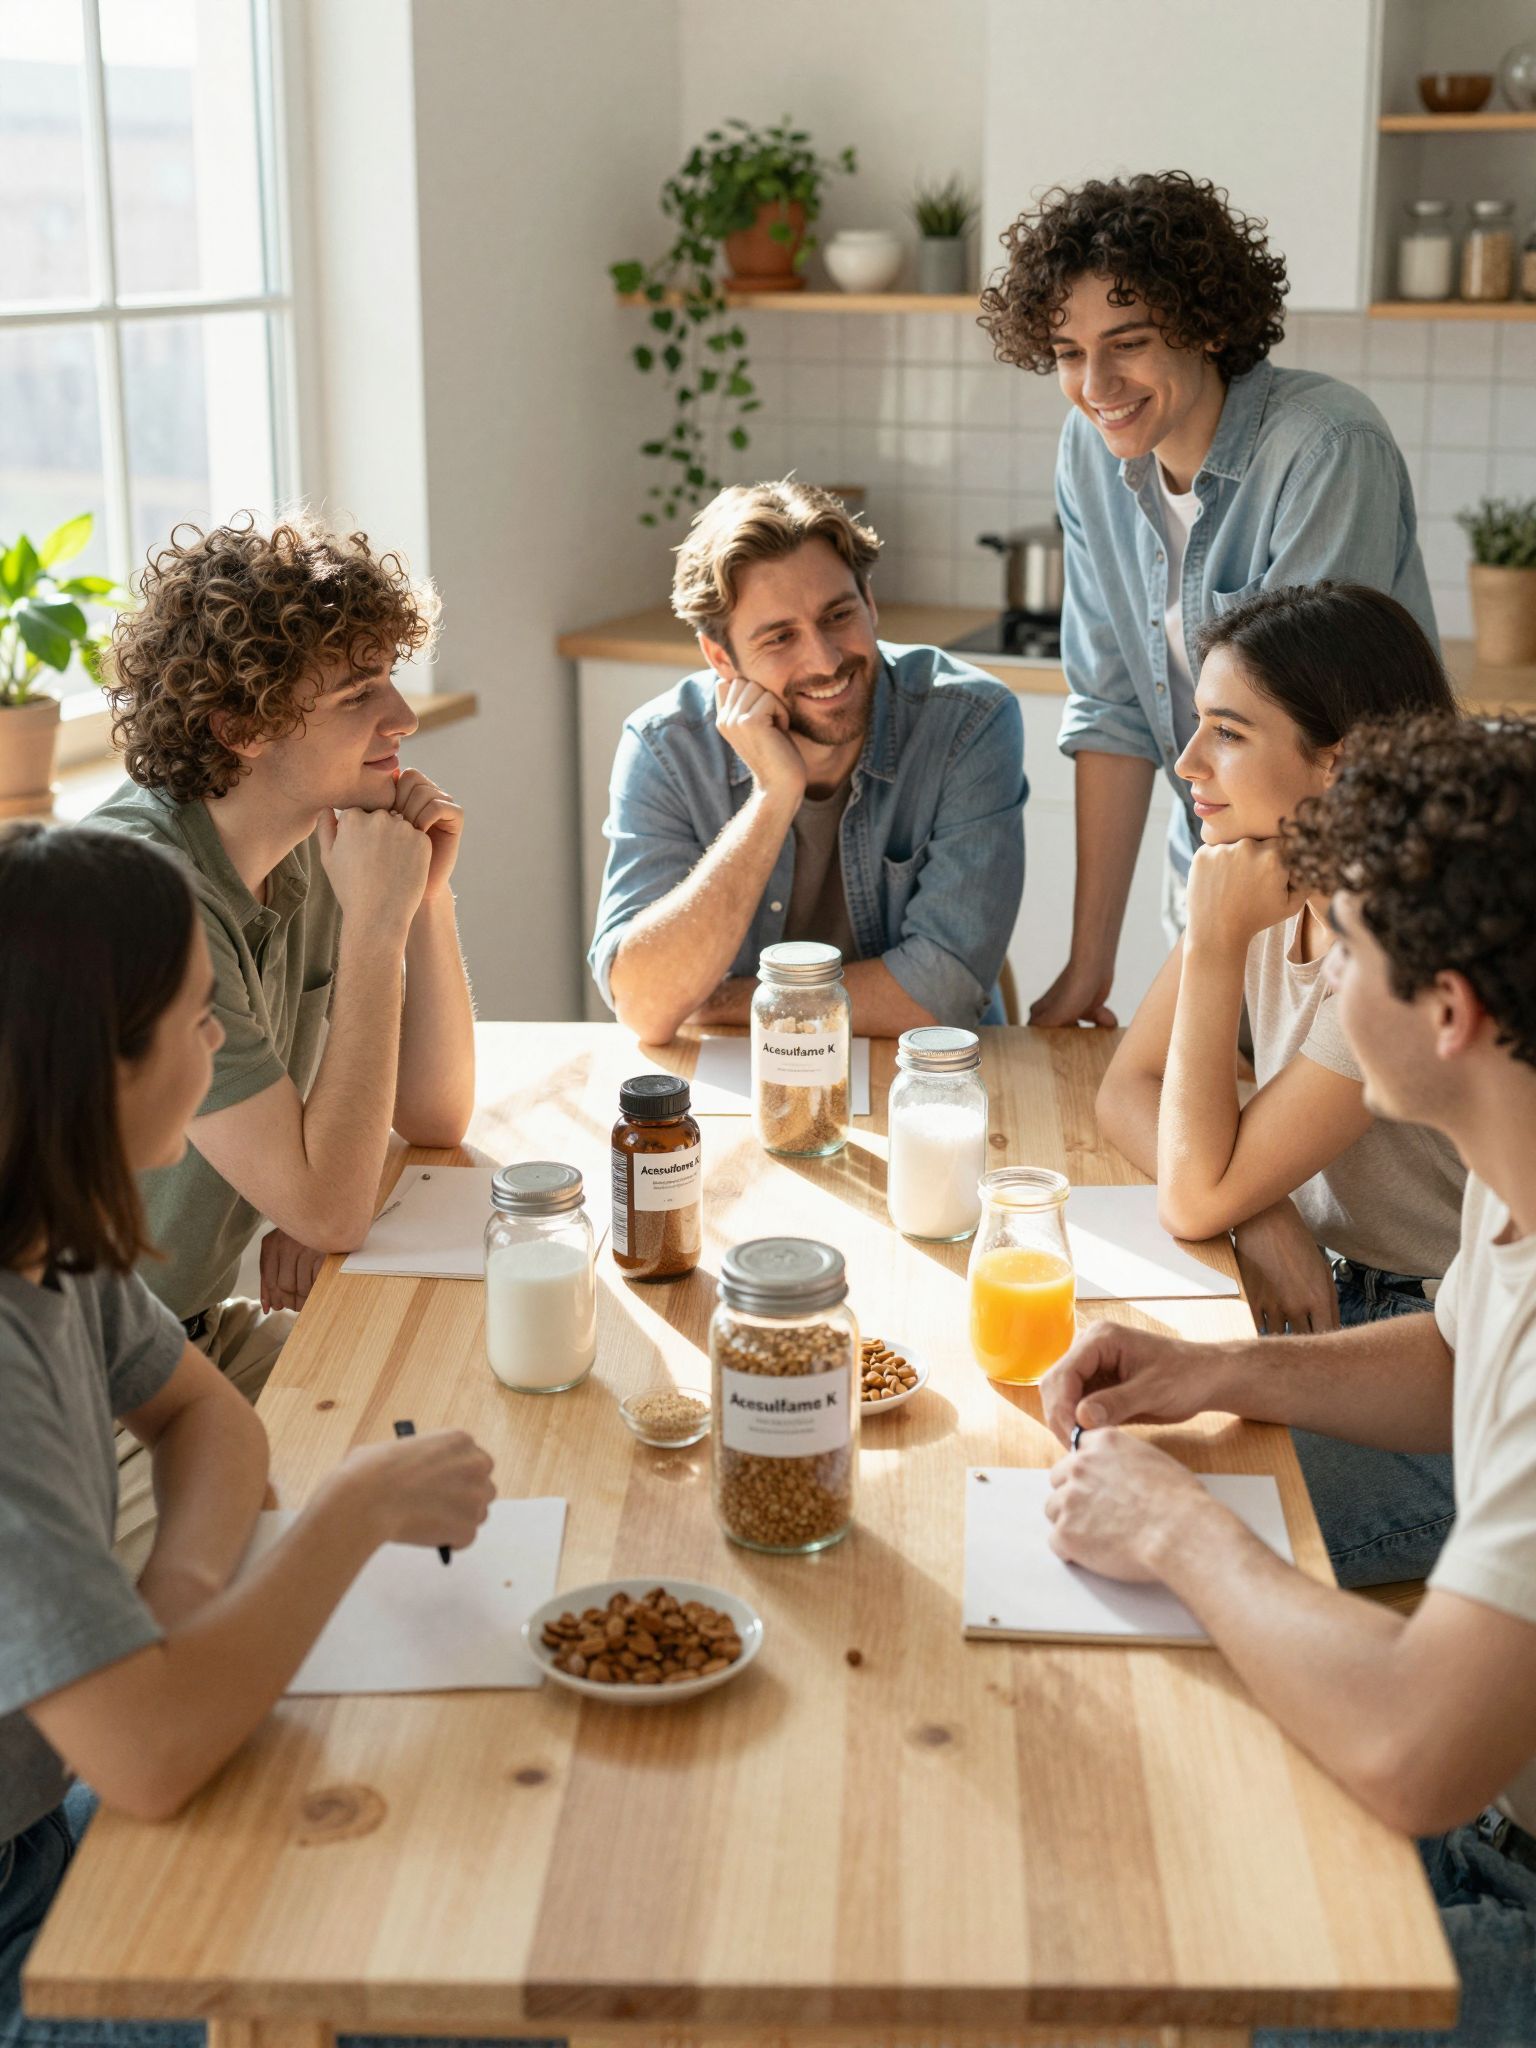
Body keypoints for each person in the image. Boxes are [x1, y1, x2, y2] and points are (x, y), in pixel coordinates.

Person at [1041, 713, 1536, 2048]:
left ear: (1450, 1010)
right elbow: (1459, 1359)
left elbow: (1414, 1744)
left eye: (1351, 948)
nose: (1323, 980)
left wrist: (1174, 1524)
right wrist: (1219, 1366)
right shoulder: (1515, 1182)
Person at [0, 821, 497, 2048]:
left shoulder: (51, 1235)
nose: (221, 1041)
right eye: (195, 1018)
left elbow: (200, 1412)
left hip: (47, 1818)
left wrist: (179, 1604)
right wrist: (352, 1511)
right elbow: (153, 1756)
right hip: (25, 1932)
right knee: (476, 2000)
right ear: (97, 1065)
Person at [91, 514, 476, 1569]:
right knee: (328, 1571)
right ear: (239, 723)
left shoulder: (312, 844)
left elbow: (435, 1114)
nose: (402, 714)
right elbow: (330, 1203)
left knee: (459, 1399)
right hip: (88, 1393)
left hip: (194, 1340)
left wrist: (423, 897)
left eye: (389, 679)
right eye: (359, 695)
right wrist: (378, 931)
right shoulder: (147, 894)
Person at [977, 171, 1438, 1029]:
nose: (1097, 384)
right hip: (1215, 881)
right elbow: (1113, 707)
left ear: (1209, 325)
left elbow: (1302, 742)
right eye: (1070, 354)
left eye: (1130, 341)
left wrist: (1220, 947)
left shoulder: (1325, 449)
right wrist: (1090, 964)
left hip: (1351, 904)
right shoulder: (1089, 452)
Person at [1095, 583, 1464, 1586]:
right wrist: (1269, 1218)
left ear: (1335, 760)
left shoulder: (1392, 942)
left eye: (1227, 733)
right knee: (1093, 1450)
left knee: (1140, 1512)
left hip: (1450, 1381)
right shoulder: (1255, 868)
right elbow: (1126, 1083)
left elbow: (1193, 1188)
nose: (1187, 764)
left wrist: (1214, 951)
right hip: (1327, 1305)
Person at [588, 480, 1026, 1043]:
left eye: (838, 615)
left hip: (922, 1076)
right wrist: (773, 796)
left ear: (870, 604)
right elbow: (646, 1005)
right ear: (722, 658)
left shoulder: (968, 721)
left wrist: (718, 999)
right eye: (779, 638)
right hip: (741, 1080)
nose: (825, 660)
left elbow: (939, 996)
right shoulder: (666, 746)